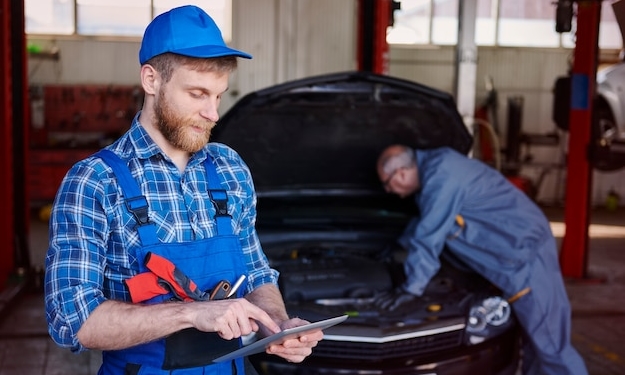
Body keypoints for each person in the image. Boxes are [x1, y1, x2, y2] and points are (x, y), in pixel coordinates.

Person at [44, 5, 322, 374]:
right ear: (151, 80)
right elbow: (72, 321)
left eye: (218, 96)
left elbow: (255, 273)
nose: (213, 113)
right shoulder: (94, 181)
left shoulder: (229, 168)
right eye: (197, 94)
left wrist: (278, 326)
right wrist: (193, 313)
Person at [375, 144, 588, 375]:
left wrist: (411, 289)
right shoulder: (437, 172)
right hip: (511, 258)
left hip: (524, 259)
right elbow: (426, 221)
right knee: (534, 345)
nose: (388, 190)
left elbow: (429, 235)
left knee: (551, 346)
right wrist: (396, 247)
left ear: (401, 173)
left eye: (386, 183)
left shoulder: (442, 176)